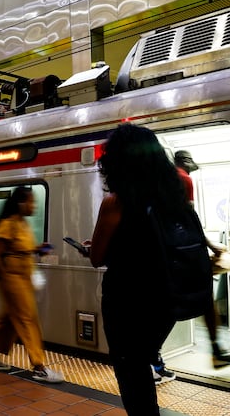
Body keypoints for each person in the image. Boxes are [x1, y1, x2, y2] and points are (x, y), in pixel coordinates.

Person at [86, 123, 188, 415]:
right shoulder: (173, 199)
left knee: (131, 372)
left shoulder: (115, 204)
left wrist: (95, 246)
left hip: (127, 302)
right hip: (166, 301)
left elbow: (97, 257)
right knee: (143, 361)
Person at [0, 186, 64, 384]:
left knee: (9, 318)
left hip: (24, 278)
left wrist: (36, 249)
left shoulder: (22, 224)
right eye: (31, 201)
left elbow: (19, 248)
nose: (34, 205)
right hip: (12, 278)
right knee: (27, 318)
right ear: (20, 203)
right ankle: (39, 366)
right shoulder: (7, 225)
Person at [173, 150, 230, 368]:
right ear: (185, 162)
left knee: (178, 301)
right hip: (187, 250)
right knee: (204, 298)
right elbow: (191, 216)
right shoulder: (184, 178)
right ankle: (217, 351)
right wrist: (210, 244)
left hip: (173, 250)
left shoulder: (164, 179)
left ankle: (154, 357)